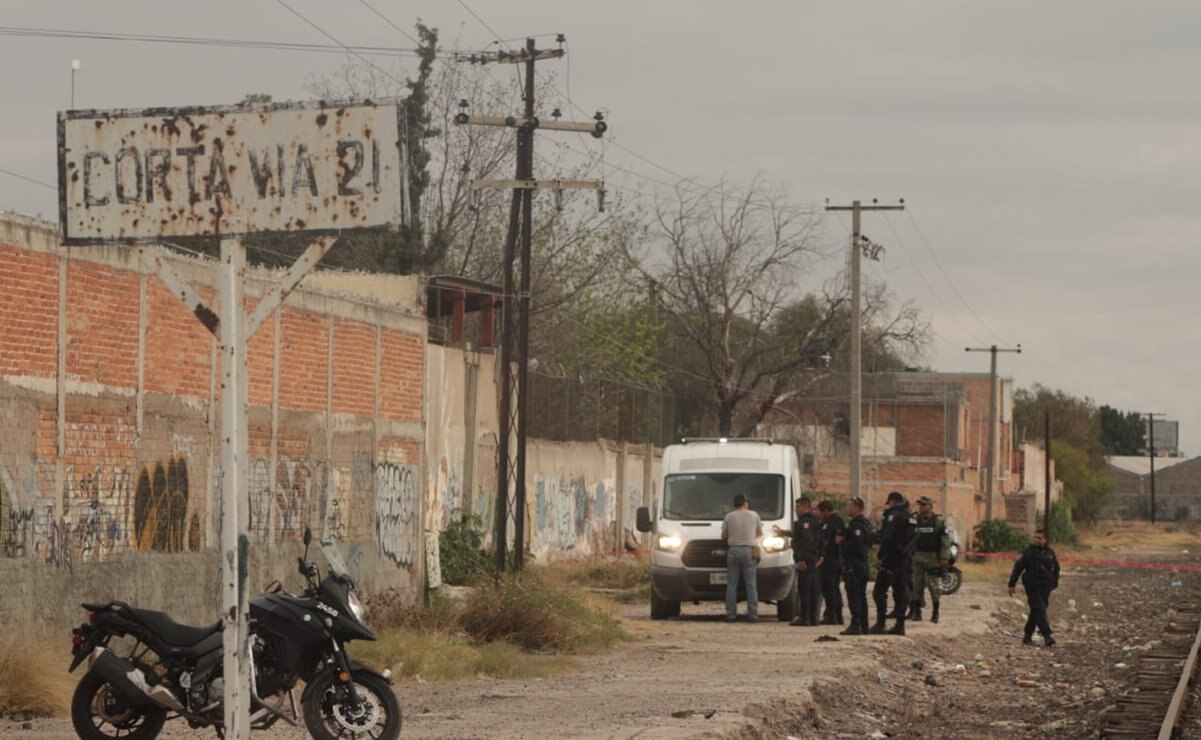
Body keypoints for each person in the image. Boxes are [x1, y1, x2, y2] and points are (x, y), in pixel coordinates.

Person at [1008, 530, 1060, 646]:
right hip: (1032, 585)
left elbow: (1056, 568)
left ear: (1045, 539)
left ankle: (1027, 636)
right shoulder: (1029, 552)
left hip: (1046, 586)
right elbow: (1018, 568)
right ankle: (1047, 635)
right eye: (1035, 538)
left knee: (1037, 610)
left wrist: (1054, 582)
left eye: (1040, 538)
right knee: (1039, 608)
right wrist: (1012, 584)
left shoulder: (1050, 552)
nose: (1037, 540)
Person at [871, 491, 911, 635]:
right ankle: (900, 625)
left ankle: (880, 623)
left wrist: (881, 556)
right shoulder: (908, 516)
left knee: (879, 591)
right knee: (900, 591)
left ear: (892, 501)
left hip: (891, 559)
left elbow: (888, 538)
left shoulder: (893, 516)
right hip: (903, 559)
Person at [907, 496, 952, 624]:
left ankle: (935, 612)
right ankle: (916, 612)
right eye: (920, 505)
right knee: (917, 584)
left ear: (930, 506)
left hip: (932, 557)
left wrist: (944, 556)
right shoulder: (915, 519)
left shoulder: (937, 521)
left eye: (924, 505)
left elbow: (945, 540)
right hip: (917, 556)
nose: (921, 507)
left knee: (933, 585)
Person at [721, 492, 763, 622]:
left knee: (732, 584)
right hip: (748, 551)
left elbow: (723, 536)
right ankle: (753, 615)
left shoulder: (729, 516)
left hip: (733, 551)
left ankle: (731, 615)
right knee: (751, 585)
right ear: (745, 503)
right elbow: (760, 533)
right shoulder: (754, 515)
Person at [782, 497, 823, 626]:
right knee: (813, 589)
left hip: (806, 560)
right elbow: (820, 540)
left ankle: (805, 618)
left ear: (804, 507)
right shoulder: (815, 521)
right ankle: (813, 618)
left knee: (804, 589)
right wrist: (821, 555)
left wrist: (802, 559)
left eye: (797, 507)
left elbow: (806, 542)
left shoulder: (805, 523)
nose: (796, 510)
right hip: (814, 559)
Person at [839, 496, 872, 635]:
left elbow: (857, 545)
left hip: (855, 564)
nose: (847, 508)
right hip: (861, 563)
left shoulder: (857, 525)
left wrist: (842, 542)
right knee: (860, 594)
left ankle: (856, 623)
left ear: (858, 508)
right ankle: (864, 625)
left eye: (850, 505)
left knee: (855, 594)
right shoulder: (865, 523)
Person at [817, 500, 846, 625]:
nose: (819, 514)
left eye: (820, 512)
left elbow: (833, 541)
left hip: (831, 559)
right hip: (832, 559)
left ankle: (833, 615)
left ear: (826, 511)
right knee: (833, 588)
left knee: (830, 589)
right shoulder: (827, 521)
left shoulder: (834, 521)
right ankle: (835, 615)